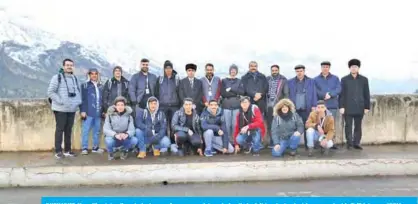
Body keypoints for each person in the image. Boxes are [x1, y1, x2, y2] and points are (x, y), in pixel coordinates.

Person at [47, 58, 82, 159]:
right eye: (67, 65)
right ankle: (58, 151)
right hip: (60, 109)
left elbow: (78, 92)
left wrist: (78, 102)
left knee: (68, 130)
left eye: (71, 65)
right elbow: (50, 92)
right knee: (60, 129)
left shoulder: (74, 78)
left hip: (72, 109)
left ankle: (67, 150)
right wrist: (61, 101)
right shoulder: (57, 77)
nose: (69, 67)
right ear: (63, 66)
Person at [339, 59, 370, 150]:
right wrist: (341, 106)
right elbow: (342, 94)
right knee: (348, 126)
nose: (354, 68)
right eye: (352, 67)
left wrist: (367, 107)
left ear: (358, 68)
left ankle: (356, 143)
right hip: (347, 107)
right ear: (349, 68)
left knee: (358, 126)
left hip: (360, 106)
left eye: (355, 67)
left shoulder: (364, 79)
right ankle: (349, 143)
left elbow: (366, 93)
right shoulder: (344, 79)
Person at [288, 64, 318, 149]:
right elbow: (288, 95)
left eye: (301, 71)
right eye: (297, 71)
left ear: (304, 71)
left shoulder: (311, 81)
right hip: (295, 109)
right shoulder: (290, 82)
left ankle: (308, 146)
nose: (299, 73)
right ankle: (293, 147)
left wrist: (314, 105)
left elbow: (314, 94)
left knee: (307, 127)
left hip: (307, 108)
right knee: (294, 128)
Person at [314, 61, 341, 150]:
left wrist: (331, 94)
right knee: (320, 124)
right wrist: (323, 95)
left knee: (331, 125)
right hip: (321, 106)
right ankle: (319, 143)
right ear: (321, 68)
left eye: (327, 67)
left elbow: (339, 89)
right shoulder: (316, 79)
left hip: (332, 104)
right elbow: (315, 90)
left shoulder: (335, 78)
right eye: (323, 67)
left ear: (329, 68)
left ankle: (331, 142)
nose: (325, 68)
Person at [103, 96, 138, 161]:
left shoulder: (129, 117)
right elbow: (106, 129)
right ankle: (111, 153)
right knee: (108, 141)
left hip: (124, 138)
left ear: (125, 106)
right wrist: (115, 135)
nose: (120, 107)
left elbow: (132, 130)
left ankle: (124, 150)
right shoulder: (109, 116)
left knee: (134, 140)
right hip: (114, 138)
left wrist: (126, 134)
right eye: (118, 105)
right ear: (115, 106)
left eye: (122, 105)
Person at [155, 60, 180, 147]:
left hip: (174, 106)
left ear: (172, 69)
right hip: (162, 106)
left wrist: (179, 105)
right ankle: (165, 143)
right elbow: (156, 92)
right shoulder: (160, 79)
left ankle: (173, 143)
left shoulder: (176, 79)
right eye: (166, 68)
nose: (168, 70)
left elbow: (179, 93)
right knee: (164, 125)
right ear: (164, 69)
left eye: (170, 68)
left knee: (174, 125)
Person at [80, 68, 104, 155]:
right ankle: (84, 148)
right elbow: (82, 99)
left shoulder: (101, 86)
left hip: (98, 112)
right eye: (92, 74)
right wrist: (82, 110)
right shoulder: (85, 85)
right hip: (88, 112)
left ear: (98, 75)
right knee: (85, 130)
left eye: (96, 74)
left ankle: (95, 147)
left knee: (96, 131)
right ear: (89, 75)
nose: (94, 75)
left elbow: (103, 99)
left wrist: (103, 111)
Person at [266, 64, 289, 148]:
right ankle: (272, 142)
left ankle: (280, 142)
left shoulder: (283, 79)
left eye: (276, 70)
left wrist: (285, 104)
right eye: (273, 70)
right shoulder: (267, 79)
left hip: (279, 105)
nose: (274, 72)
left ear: (278, 70)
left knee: (279, 124)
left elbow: (286, 93)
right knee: (270, 124)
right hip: (268, 105)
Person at [220, 64, 245, 143]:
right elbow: (223, 93)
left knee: (235, 125)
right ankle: (227, 142)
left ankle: (235, 142)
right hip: (226, 105)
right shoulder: (224, 80)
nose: (233, 72)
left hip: (236, 106)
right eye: (231, 70)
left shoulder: (239, 81)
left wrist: (231, 89)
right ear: (229, 71)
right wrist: (235, 94)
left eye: (234, 70)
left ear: (236, 72)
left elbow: (242, 92)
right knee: (227, 125)